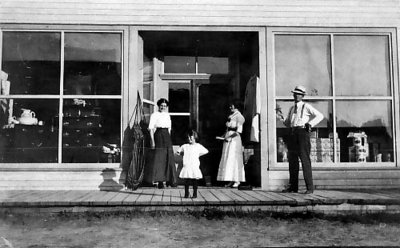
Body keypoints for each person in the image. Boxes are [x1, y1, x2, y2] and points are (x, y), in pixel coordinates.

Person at [280, 85, 323, 194]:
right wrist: (281, 117)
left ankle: (309, 188)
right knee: (292, 161)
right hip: (293, 133)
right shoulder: (291, 108)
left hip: (302, 133)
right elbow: (288, 123)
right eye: (295, 93)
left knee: (305, 160)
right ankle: (293, 187)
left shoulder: (306, 106)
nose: (296, 95)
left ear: (302, 96)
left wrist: (310, 124)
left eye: (298, 94)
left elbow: (320, 116)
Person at [147, 98, 178, 189]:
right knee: (160, 158)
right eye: (161, 106)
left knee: (169, 157)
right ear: (158, 106)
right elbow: (151, 128)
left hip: (167, 136)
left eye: (165, 106)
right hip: (159, 135)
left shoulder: (167, 115)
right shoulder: (154, 115)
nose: (163, 107)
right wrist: (152, 141)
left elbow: (169, 128)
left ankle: (170, 180)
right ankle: (160, 181)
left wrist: (169, 138)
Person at [217, 100, 246, 188]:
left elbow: (238, 131)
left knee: (234, 158)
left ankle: (237, 180)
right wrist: (222, 136)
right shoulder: (231, 116)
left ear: (236, 106)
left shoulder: (240, 117)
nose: (230, 107)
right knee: (228, 158)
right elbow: (228, 130)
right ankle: (231, 179)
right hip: (228, 138)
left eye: (232, 106)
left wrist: (229, 138)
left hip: (234, 140)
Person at [176, 130, 209, 198]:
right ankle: (186, 194)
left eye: (191, 138)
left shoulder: (198, 146)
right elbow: (177, 152)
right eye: (188, 138)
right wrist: (182, 154)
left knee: (194, 181)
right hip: (187, 165)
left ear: (195, 138)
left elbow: (206, 151)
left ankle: (195, 194)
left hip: (194, 165)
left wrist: (198, 154)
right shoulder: (185, 146)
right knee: (187, 181)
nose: (189, 139)